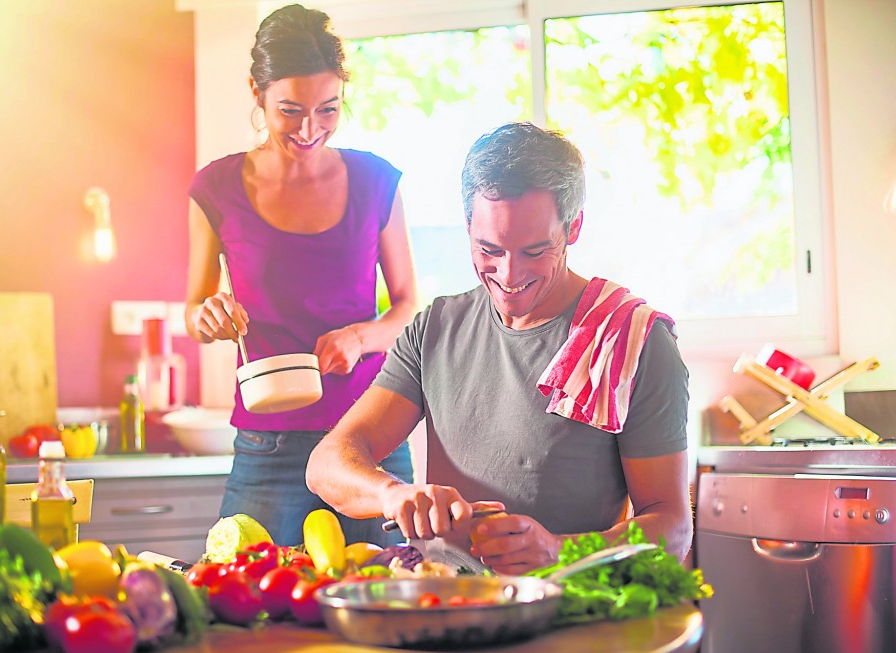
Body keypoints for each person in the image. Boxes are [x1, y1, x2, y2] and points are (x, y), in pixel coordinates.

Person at [306, 122, 693, 574]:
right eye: (489, 249)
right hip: (442, 597)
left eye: (534, 251)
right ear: (467, 225)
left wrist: (559, 550)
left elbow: (672, 528)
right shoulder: (434, 329)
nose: (509, 276)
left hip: (562, 605)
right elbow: (327, 463)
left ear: (574, 226)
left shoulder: (633, 341)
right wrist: (393, 494)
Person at [184, 4, 419, 548]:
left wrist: (360, 337)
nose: (310, 129)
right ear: (256, 93)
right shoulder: (214, 188)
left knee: (387, 602)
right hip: (267, 443)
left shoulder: (375, 180)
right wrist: (209, 313)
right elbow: (194, 314)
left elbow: (407, 305)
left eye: (328, 109)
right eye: (290, 110)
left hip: (370, 436)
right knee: (245, 608)